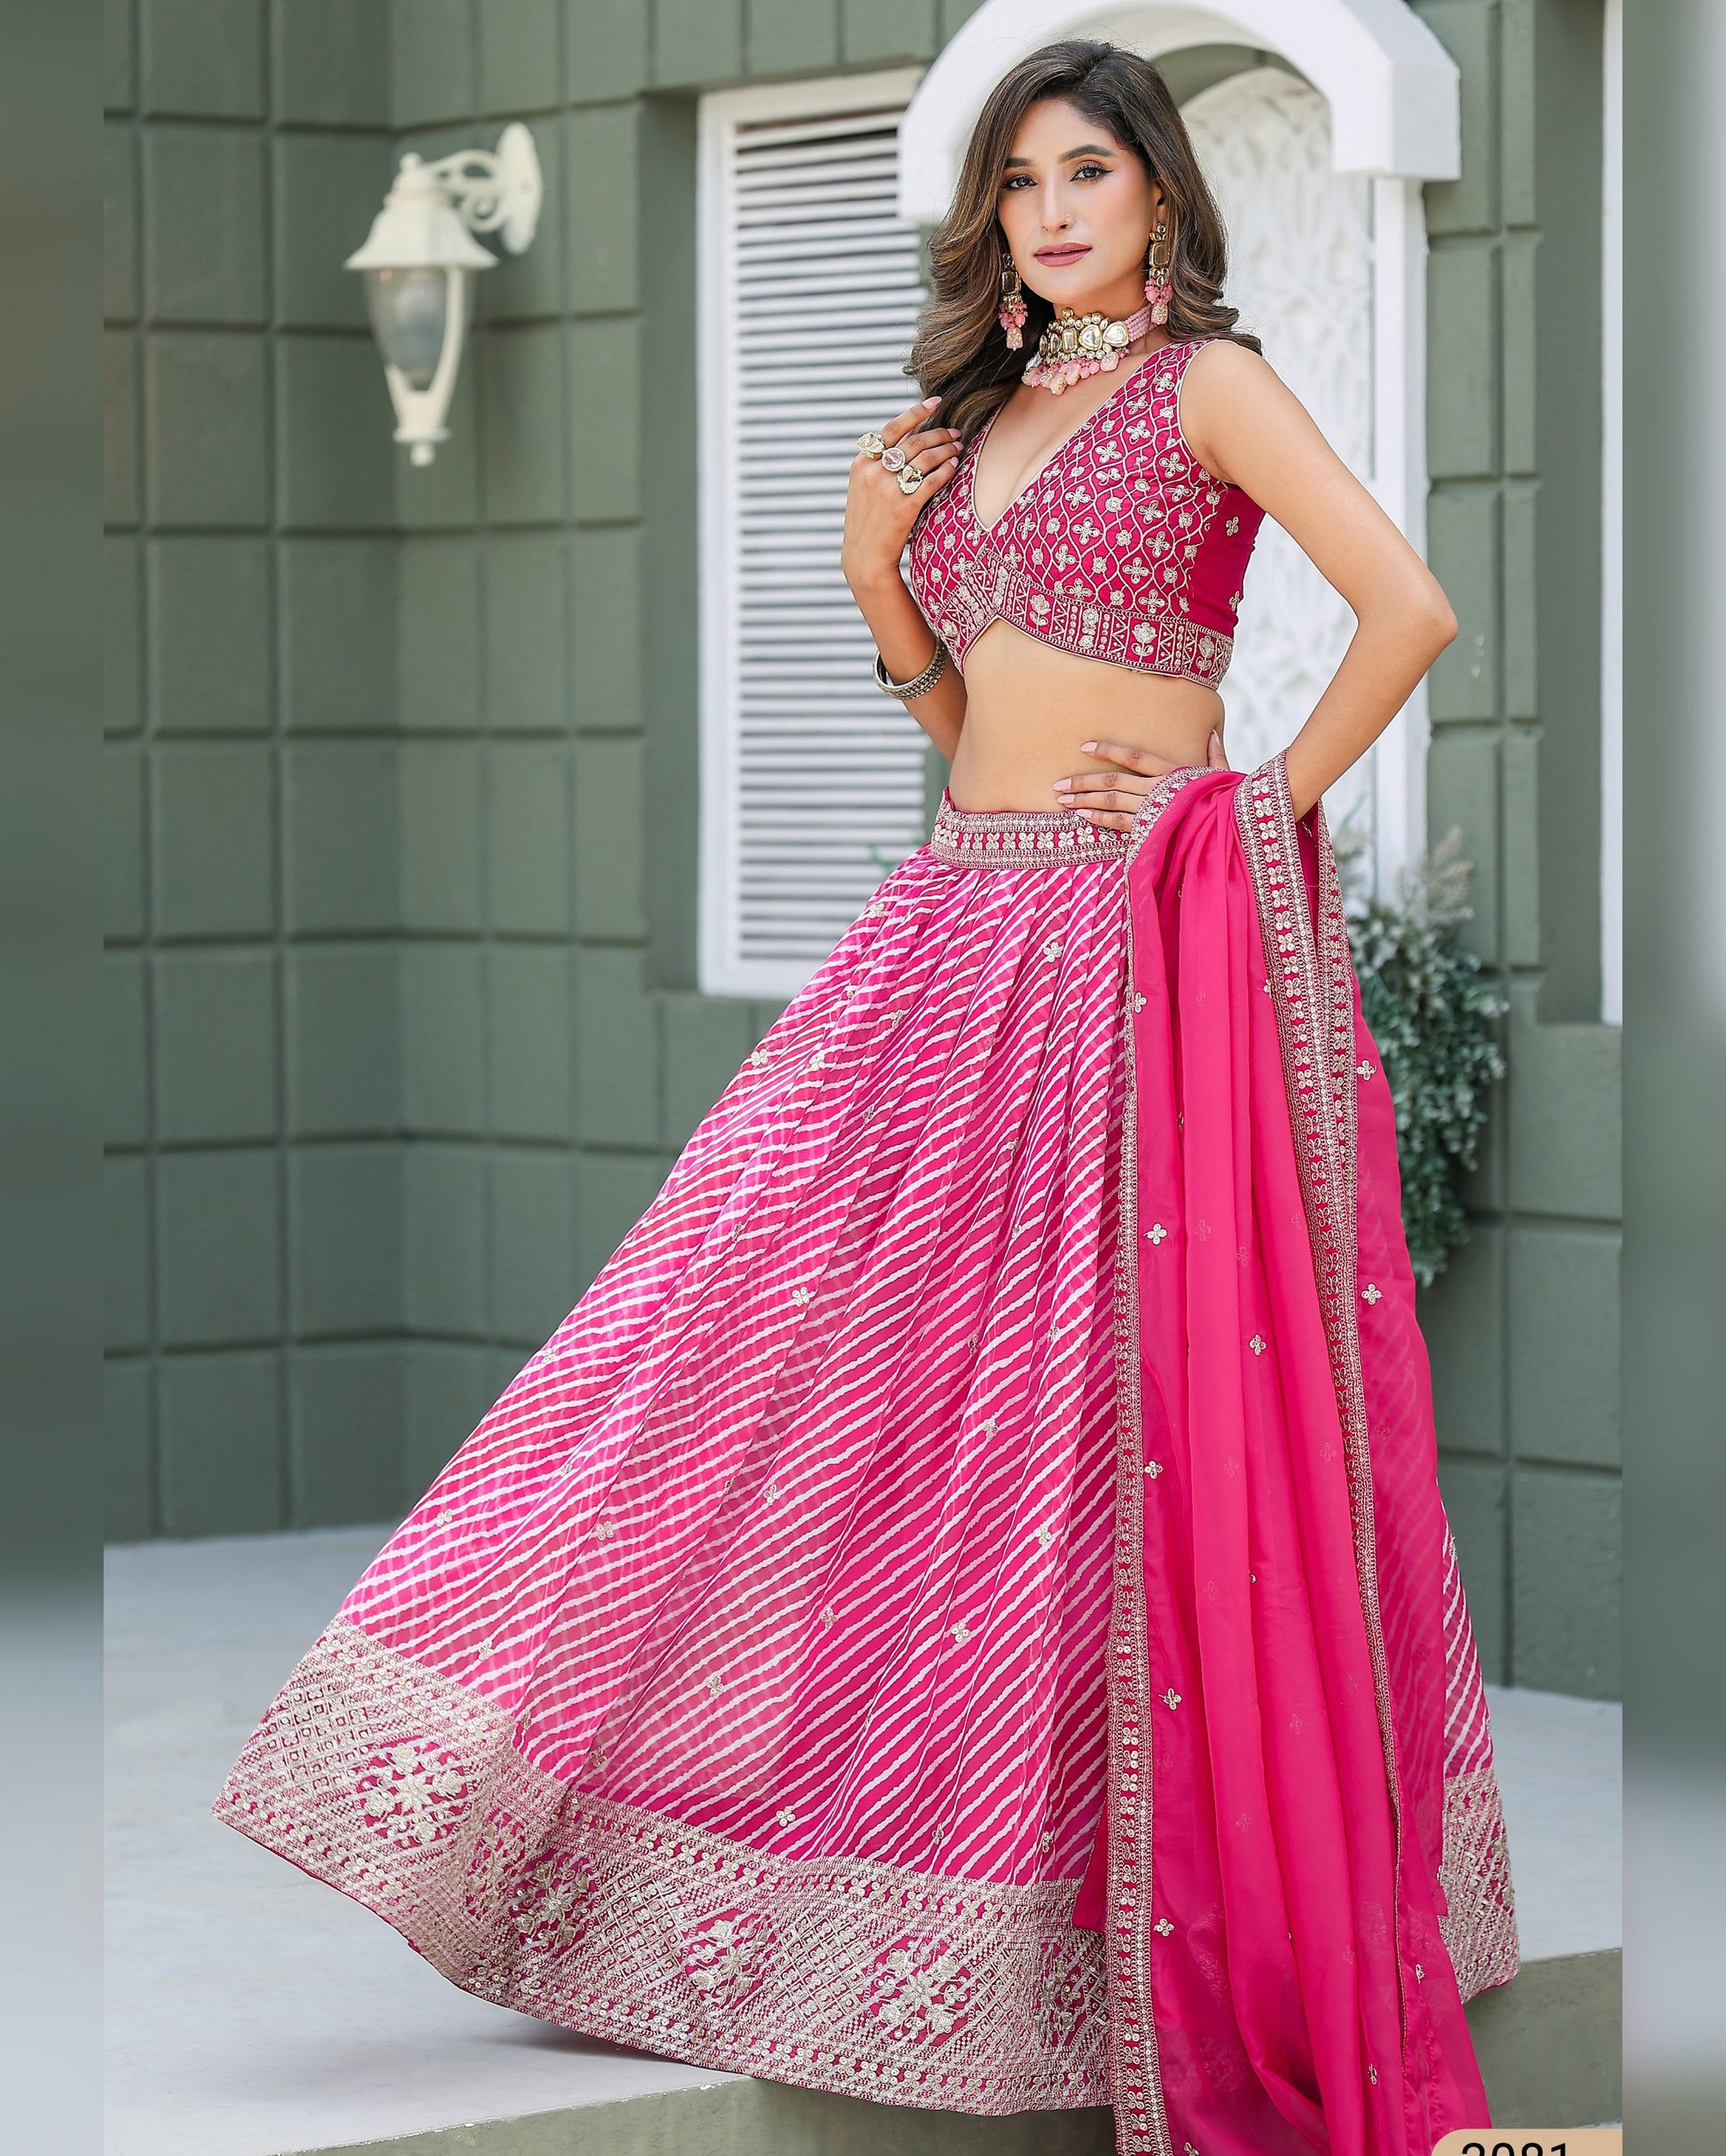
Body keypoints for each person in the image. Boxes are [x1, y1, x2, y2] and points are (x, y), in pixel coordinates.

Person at [217, 40, 1517, 2155]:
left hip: (1125, 945)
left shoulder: (1212, 384)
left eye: (1090, 171)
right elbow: (949, 716)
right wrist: (869, 579)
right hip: (948, 929)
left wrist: (1243, 808)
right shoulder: (971, 419)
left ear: (1163, 196)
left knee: (1081, 1419)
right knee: (756, 1355)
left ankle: (1090, 1924)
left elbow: (1410, 606)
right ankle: (656, 1850)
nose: (1055, 210)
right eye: (1021, 184)